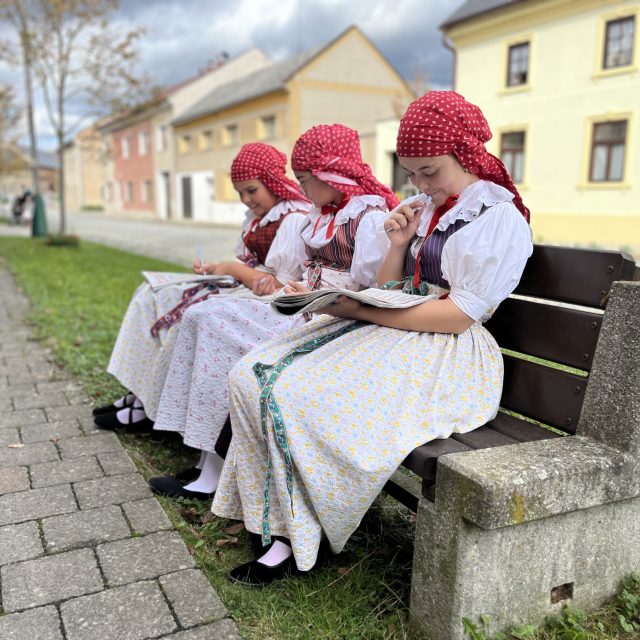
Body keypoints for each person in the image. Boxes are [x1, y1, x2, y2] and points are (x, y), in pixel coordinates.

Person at [210, 91, 534, 586]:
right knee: (248, 375)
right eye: (412, 173)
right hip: (399, 326)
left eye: (430, 171)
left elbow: (459, 315)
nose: (420, 184)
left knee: (295, 393)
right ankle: (274, 519)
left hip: (448, 353)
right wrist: (398, 245)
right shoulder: (424, 208)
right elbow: (389, 288)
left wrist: (359, 309)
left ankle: (300, 534)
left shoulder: (497, 217)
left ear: (466, 155)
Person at [149, 123, 399, 500]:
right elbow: (293, 273)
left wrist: (314, 294)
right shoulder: (321, 213)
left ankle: (213, 470)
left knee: (216, 327)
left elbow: (371, 290)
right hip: (302, 304)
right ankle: (207, 458)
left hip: (333, 317)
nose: (301, 188)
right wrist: (296, 288)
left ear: (331, 175)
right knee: (204, 315)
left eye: (305, 180)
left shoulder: (368, 218)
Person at [93, 143, 312, 431]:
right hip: (245, 286)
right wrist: (215, 268)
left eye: (251, 190)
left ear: (272, 182)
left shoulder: (293, 218)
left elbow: (276, 286)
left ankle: (151, 408)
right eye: (240, 193)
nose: (246, 199)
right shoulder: (260, 219)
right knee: (152, 294)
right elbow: (252, 266)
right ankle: (140, 392)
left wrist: (229, 268)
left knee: (190, 314)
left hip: (269, 301)